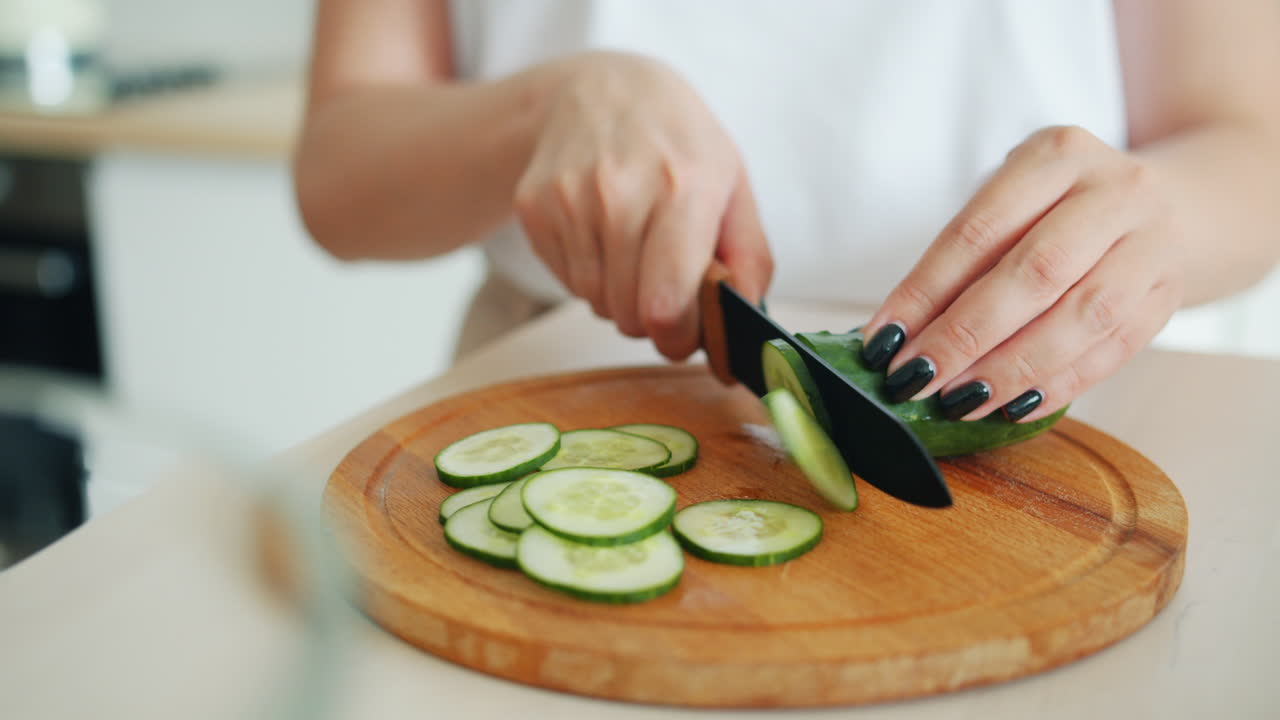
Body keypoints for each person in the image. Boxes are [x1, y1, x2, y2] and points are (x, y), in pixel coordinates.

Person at [294, 0, 1280, 424]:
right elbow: (337, 174)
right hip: (556, 378)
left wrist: (1164, 221)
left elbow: (1246, 144)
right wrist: (539, 108)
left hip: (1045, 396)